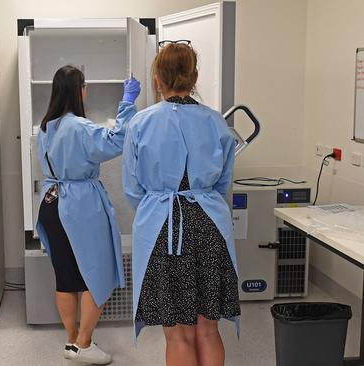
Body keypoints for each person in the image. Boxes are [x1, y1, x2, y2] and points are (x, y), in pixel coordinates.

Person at [122, 41, 240, 366]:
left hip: (164, 229)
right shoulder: (217, 123)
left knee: (178, 334)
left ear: (157, 79)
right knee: (208, 329)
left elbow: (133, 190)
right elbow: (223, 184)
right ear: (195, 77)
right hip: (210, 226)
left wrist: (158, 207)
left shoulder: (139, 124)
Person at [35, 64, 140, 365]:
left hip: (52, 204)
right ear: (76, 90)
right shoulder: (79, 127)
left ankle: (71, 340)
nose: (86, 90)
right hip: (79, 206)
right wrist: (127, 103)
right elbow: (117, 140)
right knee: (97, 273)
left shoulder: (46, 127)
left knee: (66, 276)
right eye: (84, 85)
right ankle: (84, 343)